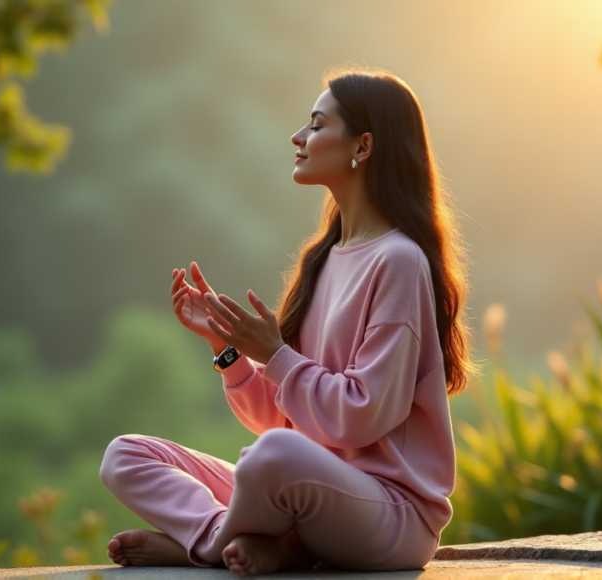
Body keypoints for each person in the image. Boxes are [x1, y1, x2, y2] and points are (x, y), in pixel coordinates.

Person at [99, 67, 475, 576]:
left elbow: (361, 417)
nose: (299, 137)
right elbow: (288, 417)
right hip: (306, 488)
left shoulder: (399, 261)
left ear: (362, 147)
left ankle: (206, 544)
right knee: (126, 455)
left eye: (317, 125)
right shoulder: (324, 258)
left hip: (391, 516)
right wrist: (225, 348)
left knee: (272, 457)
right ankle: (243, 541)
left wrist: (277, 356)